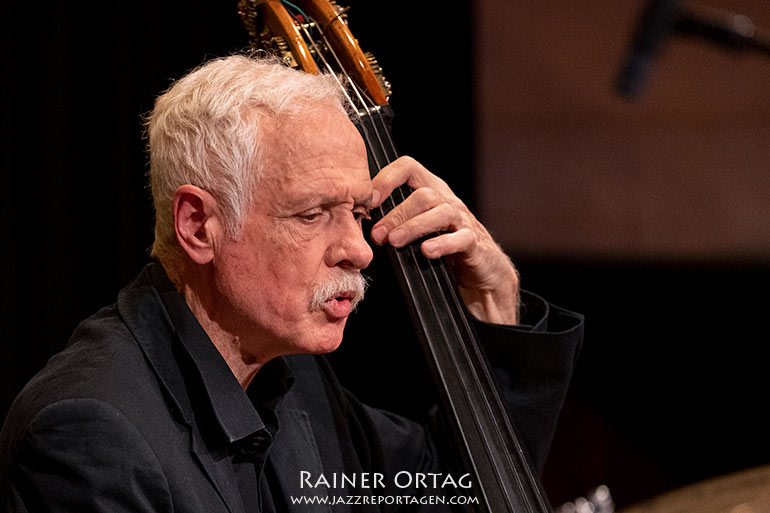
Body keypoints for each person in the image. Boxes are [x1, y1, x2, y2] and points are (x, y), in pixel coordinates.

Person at [0, 54, 583, 512]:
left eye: (356, 213)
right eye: (312, 214)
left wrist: (493, 299)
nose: (359, 248)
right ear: (198, 225)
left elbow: (452, 490)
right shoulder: (90, 431)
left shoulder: (292, 375)